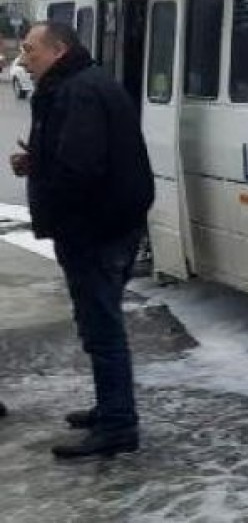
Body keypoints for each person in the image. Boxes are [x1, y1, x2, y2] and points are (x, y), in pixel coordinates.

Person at [8, 22, 155, 459]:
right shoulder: (86, 83)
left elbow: (80, 169)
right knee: (100, 325)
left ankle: (117, 425)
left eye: (30, 51)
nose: (23, 61)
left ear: (57, 50)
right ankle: (111, 407)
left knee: (102, 329)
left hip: (95, 233)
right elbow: (82, 156)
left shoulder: (78, 92)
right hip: (111, 227)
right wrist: (37, 162)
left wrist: (53, 200)